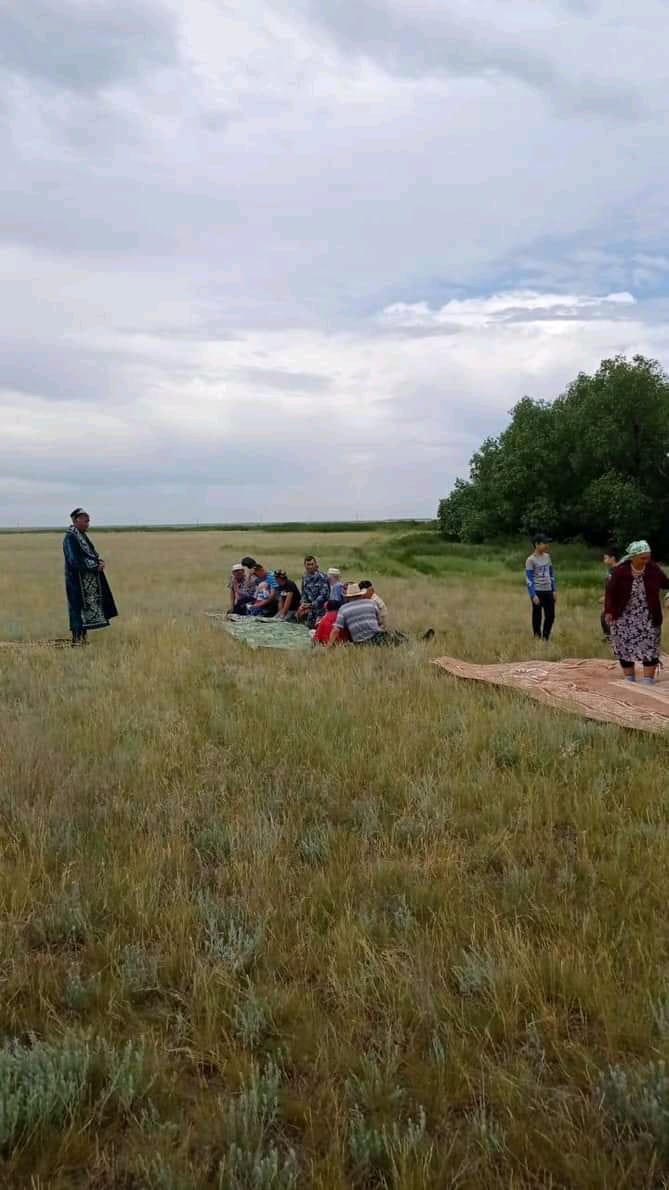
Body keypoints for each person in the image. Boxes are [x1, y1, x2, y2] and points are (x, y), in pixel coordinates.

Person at [604, 540, 669, 684]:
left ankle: (648, 679)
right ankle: (629, 677)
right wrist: (609, 611)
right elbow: (610, 592)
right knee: (623, 645)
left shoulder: (653, 569)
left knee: (650, 645)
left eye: (648, 557)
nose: (646, 560)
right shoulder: (620, 571)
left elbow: (666, 583)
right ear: (633, 557)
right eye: (642, 557)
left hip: (648, 615)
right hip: (624, 615)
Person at [63, 508, 118, 646]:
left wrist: (98, 561)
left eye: (88, 521)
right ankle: (77, 639)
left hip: (84, 580)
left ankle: (82, 639)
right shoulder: (70, 538)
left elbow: (91, 554)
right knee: (77, 609)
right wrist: (94, 566)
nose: (88, 524)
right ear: (77, 520)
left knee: (83, 609)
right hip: (75, 581)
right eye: (86, 521)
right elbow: (74, 560)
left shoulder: (81, 536)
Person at [525, 534, 557, 641]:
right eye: (544, 543)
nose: (547, 545)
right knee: (537, 616)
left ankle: (546, 637)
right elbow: (529, 579)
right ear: (537, 544)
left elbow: (551, 573)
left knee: (551, 616)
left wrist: (554, 590)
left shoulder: (547, 557)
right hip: (537, 591)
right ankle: (537, 637)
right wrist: (533, 594)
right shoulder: (530, 560)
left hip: (548, 590)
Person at [297, 556, 330, 628]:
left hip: (321, 610)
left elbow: (324, 595)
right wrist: (303, 603)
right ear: (305, 566)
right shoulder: (305, 577)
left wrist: (310, 605)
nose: (310, 566)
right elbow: (304, 592)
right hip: (310, 610)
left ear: (316, 564)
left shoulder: (322, 577)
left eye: (312, 564)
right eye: (308, 565)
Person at [600, 546, 621, 640]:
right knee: (604, 616)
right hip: (610, 599)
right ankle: (610, 636)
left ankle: (613, 638)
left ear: (612, 558)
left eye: (606, 558)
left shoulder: (619, 570)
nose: (604, 560)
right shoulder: (610, 570)